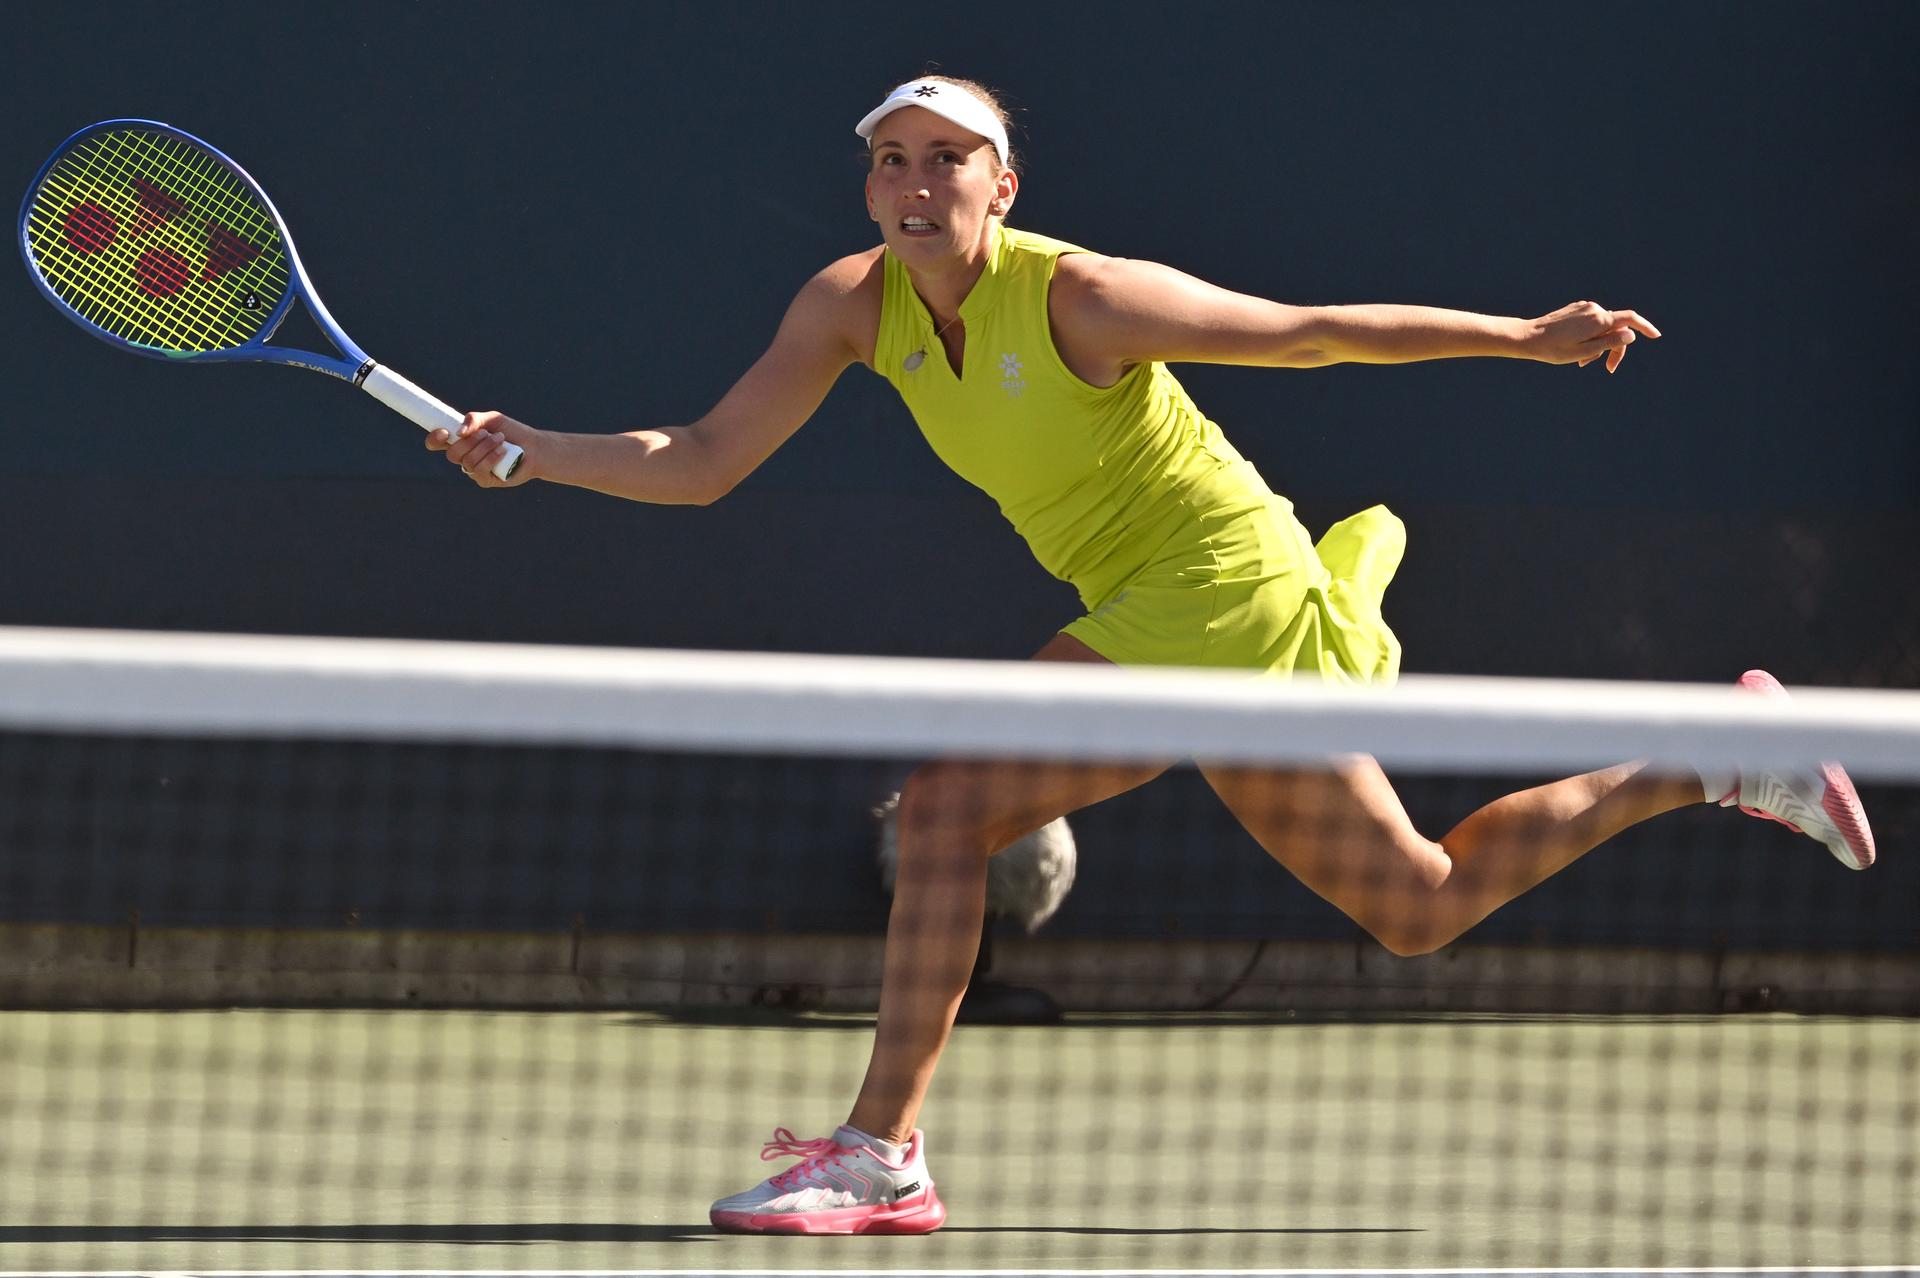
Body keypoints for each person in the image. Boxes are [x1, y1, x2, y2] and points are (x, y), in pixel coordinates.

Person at [428, 75, 1877, 1235]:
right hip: (1166, 604)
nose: (917, 185)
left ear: (1004, 187)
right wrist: (535, 453)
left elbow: (1308, 334)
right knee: (1418, 901)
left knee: (945, 808)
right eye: (893, 161)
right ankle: (1713, 755)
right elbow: (700, 459)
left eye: (950, 160)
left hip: (1216, 585)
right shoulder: (847, 304)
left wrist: (1525, 336)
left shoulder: (1081, 295)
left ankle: (880, 1151)